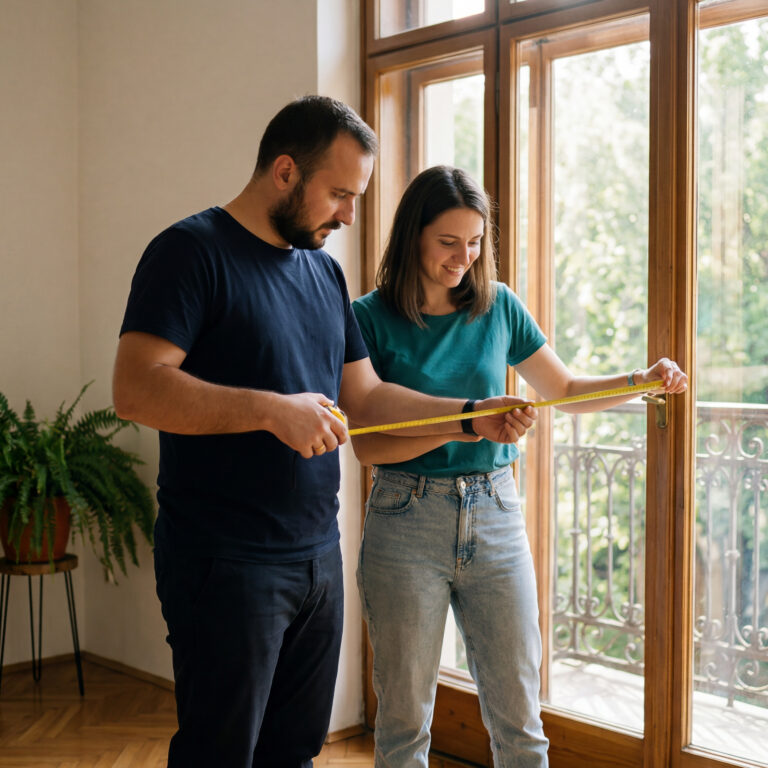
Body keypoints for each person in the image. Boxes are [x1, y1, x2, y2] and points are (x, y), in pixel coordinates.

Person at [112, 97, 535, 768]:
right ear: (285, 172)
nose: (349, 213)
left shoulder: (323, 273)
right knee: (220, 752)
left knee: (295, 752)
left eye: (357, 196)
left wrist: (467, 415)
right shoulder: (189, 252)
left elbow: (364, 397)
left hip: (315, 554)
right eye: (339, 193)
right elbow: (135, 388)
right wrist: (271, 410)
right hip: (223, 559)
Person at [351, 165, 688, 768]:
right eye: (448, 242)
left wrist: (643, 381)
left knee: (521, 723)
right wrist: (469, 420)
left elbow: (563, 386)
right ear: (413, 238)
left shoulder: (497, 306)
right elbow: (369, 444)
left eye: (475, 241)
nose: (464, 257)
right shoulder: (368, 318)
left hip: (496, 513)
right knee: (404, 726)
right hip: (405, 518)